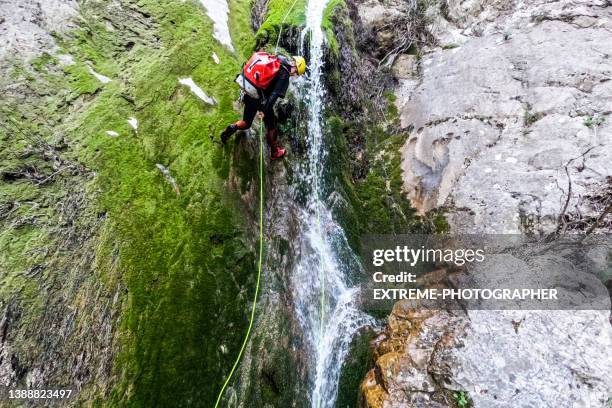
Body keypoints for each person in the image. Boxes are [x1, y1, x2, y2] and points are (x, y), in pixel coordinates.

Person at [220, 54, 307, 160]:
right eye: (297, 72)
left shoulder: (279, 58)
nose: (295, 75)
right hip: (261, 100)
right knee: (272, 127)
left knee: (246, 122)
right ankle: (275, 152)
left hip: (250, 92)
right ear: (296, 67)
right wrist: (264, 111)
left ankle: (233, 127)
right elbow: (274, 96)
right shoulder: (285, 76)